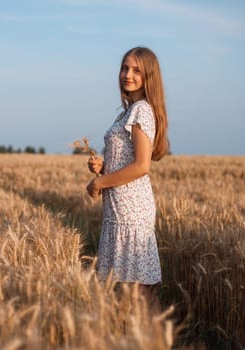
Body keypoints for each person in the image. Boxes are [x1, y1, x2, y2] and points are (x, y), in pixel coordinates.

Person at [86, 46, 169, 307]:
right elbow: (127, 159)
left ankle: (152, 340)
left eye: (136, 70)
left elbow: (142, 166)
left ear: (149, 77)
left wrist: (99, 182)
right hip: (117, 209)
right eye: (124, 67)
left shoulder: (141, 110)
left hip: (131, 210)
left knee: (137, 292)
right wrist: (104, 166)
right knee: (123, 291)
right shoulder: (127, 112)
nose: (127, 75)